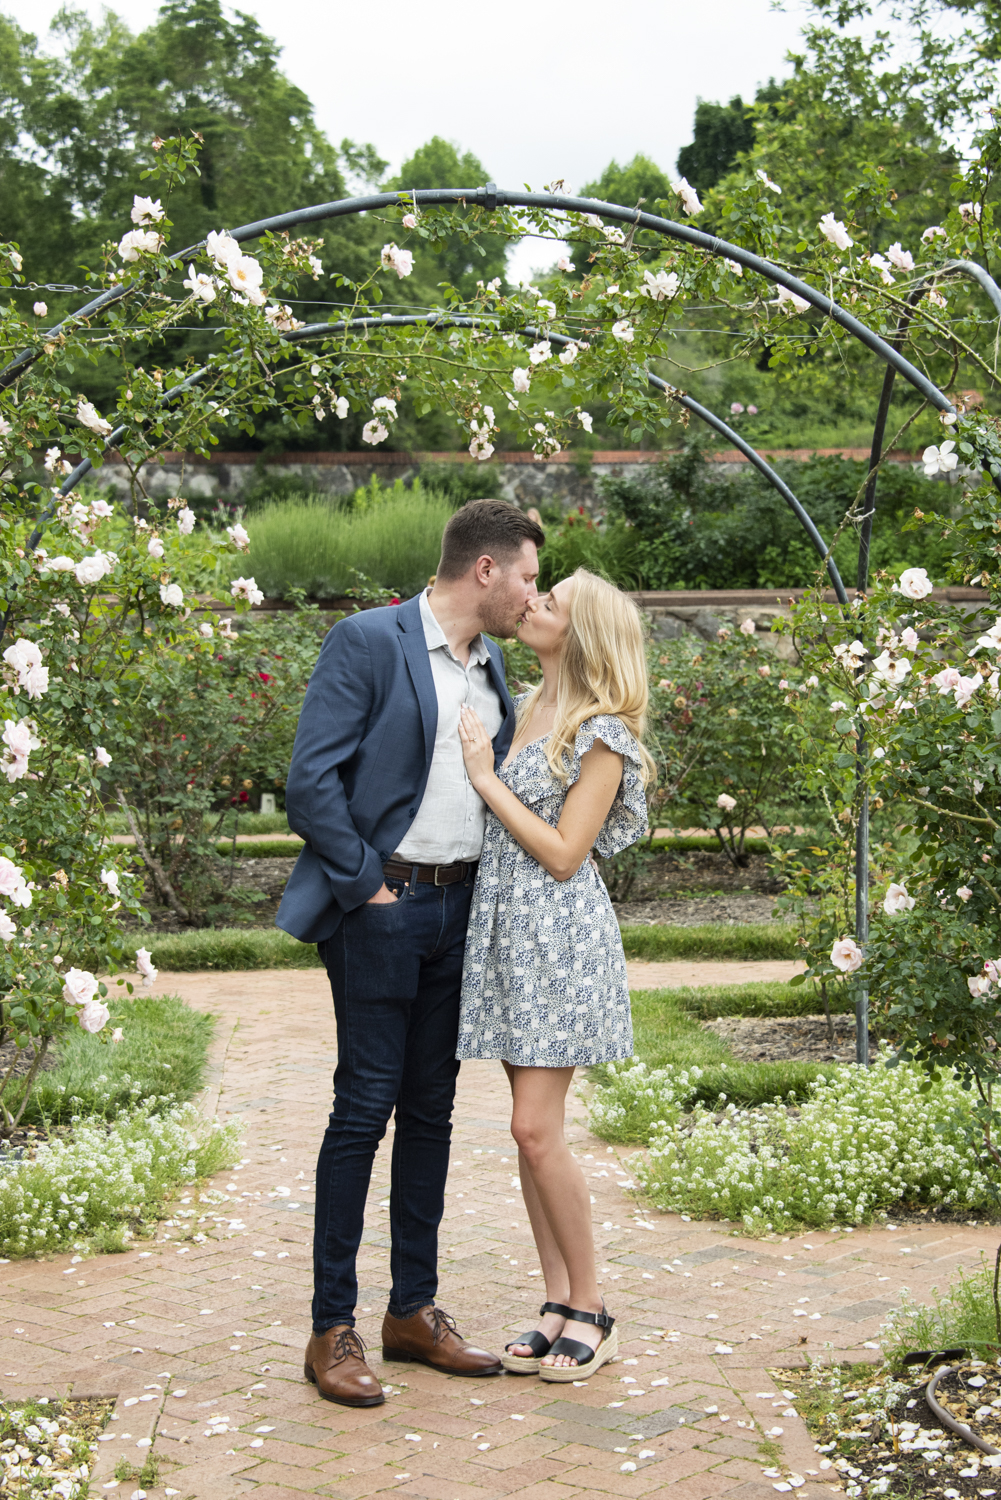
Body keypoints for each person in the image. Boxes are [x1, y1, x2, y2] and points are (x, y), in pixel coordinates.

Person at [277, 499, 545, 1407]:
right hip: (379, 910)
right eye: (528, 577)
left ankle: (412, 1314)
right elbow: (309, 781)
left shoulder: (491, 663)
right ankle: (331, 1329)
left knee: (431, 1113)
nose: (530, 594)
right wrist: (368, 886)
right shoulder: (367, 641)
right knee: (363, 1111)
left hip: (458, 911)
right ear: (485, 570)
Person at [456, 567, 654, 1382]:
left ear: (582, 635)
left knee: (534, 1130)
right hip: (508, 932)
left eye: (551, 602)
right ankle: (555, 1301)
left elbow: (567, 855)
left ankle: (594, 1306)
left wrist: (483, 778)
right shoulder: (527, 703)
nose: (532, 603)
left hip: (559, 944)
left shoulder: (601, 732)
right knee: (529, 1132)